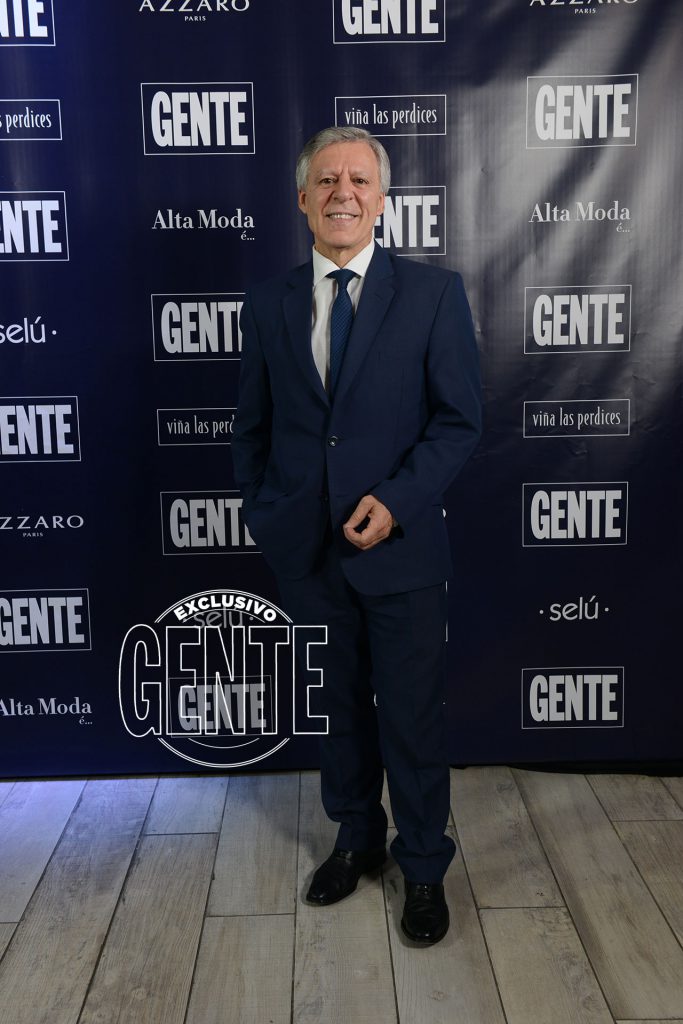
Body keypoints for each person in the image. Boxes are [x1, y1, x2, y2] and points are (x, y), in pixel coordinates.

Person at [232, 126, 481, 945]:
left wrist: (396, 502)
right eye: (327, 180)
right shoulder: (266, 304)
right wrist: (267, 512)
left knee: (409, 718)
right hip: (307, 554)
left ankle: (423, 865)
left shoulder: (433, 295)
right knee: (336, 712)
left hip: (401, 553)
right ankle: (355, 838)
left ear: (381, 200)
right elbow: (251, 428)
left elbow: (457, 422)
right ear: (302, 198)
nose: (343, 192)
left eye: (359, 181)